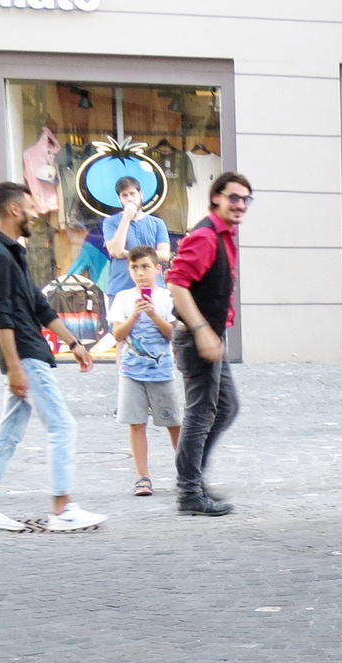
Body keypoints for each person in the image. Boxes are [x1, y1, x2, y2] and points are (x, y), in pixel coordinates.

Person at [0, 182, 108, 532]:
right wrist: (15, 368)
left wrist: (75, 344)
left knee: (8, 432)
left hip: (29, 353)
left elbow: (39, 306)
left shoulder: (14, 252)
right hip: (26, 356)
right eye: (30, 207)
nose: (37, 212)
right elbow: (1, 317)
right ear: (14, 210)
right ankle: (62, 509)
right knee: (62, 425)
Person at [167, 171, 251, 517]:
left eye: (246, 199)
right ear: (216, 197)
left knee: (226, 407)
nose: (240, 205)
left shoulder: (224, 235)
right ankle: (188, 492)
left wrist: (215, 330)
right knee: (200, 413)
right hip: (196, 336)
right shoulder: (205, 236)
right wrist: (202, 330)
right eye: (234, 197)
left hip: (211, 334)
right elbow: (177, 284)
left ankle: (193, 479)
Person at [109, 245, 180, 495]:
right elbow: (117, 334)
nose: (140, 273)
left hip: (161, 372)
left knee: (174, 423)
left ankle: (187, 473)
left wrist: (153, 313)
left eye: (145, 267)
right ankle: (143, 477)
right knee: (136, 424)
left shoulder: (167, 297)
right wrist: (134, 317)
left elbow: (172, 334)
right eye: (134, 268)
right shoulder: (123, 298)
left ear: (157, 269)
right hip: (131, 372)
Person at [102, 176, 171, 313]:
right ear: (119, 199)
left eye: (132, 194)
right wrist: (126, 218)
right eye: (124, 195)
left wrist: (129, 254)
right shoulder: (111, 222)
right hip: (121, 287)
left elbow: (164, 254)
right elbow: (115, 251)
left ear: (140, 194)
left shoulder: (157, 223)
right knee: (119, 331)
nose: (129, 198)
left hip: (153, 289)